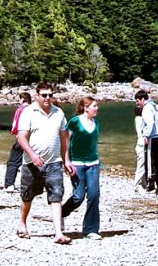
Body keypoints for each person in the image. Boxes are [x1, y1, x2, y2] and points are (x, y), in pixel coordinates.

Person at [16, 83, 75, 244]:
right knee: (27, 195)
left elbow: (65, 139)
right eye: (44, 95)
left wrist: (66, 160)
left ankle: (58, 233)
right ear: (37, 96)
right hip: (31, 163)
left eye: (50, 95)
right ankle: (22, 223)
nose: (48, 98)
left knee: (56, 195)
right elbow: (21, 137)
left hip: (54, 162)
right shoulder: (28, 112)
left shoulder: (58, 112)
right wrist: (32, 155)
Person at [61, 96, 102, 240]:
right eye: (94, 106)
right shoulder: (74, 122)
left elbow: (93, 143)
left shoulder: (96, 123)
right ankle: (60, 214)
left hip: (93, 164)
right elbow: (65, 142)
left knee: (94, 195)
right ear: (86, 108)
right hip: (77, 164)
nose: (97, 108)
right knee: (78, 197)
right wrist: (66, 161)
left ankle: (91, 229)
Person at [135, 90, 158, 194]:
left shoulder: (146, 108)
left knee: (151, 161)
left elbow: (150, 123)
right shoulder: (155, 106)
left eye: (137, 101)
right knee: (157, 160)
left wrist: (146, 135)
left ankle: (151, 185)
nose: (137, 103)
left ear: (143, 99)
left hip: (153, 136)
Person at [4, 92, 32, 192]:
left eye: (19, 99)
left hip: (22, 137)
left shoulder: (21, 109)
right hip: (32, 138)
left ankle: (9, 184)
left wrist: (14, 132)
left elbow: (16, 124)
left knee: (13, 161)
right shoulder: (34, 109)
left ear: (22, 99)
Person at [133, 104, 146, 191]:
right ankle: (137, 184)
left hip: (139, 144)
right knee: (141, 165)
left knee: (143, 165)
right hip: (141, 144)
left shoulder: (137, 119)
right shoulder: (140, 120)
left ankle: (144, 183)